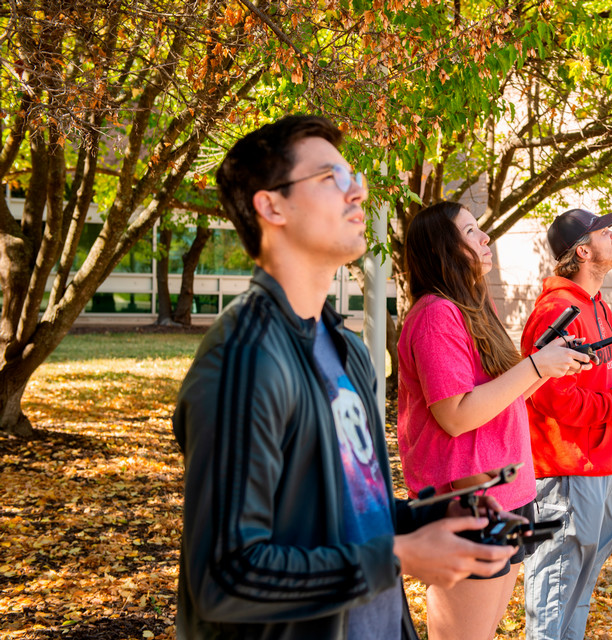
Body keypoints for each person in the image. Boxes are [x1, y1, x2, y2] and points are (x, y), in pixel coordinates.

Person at [172, 115, 518, 640]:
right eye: (331, 178)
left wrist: (429, 517)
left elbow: (349, 513)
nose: (357, 190)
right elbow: (226, 575)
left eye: (352, 175)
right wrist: (398, 555)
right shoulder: (245, 357)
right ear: (272, 206)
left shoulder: (348, 351)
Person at [397, 200, 592, 640]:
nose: (485, 238)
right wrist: (537, 365)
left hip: (509, 492)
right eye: (470, 232)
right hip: (468, 498)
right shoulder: (435, 314)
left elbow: (501, 399)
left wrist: (551, 366)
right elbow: (455, 415)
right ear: (443, 249)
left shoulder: (474, 307)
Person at [520, 208, 612, 640]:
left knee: (576, 591)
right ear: (583, 251)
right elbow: (548, 395)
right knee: (554, 592)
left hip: (607, 466)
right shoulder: (556, 311)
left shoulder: (598, 304)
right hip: (567, 472)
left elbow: (598, 382)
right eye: (603, 232)